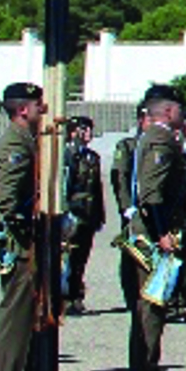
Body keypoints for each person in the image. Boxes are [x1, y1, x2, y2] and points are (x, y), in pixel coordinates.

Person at [0, 81, 45, 371]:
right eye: (38, 105)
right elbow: (8, 200)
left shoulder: (27, 142)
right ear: (23, 110)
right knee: (14, 322)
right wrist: (30, 231)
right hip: (22, 246)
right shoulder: (16, 145)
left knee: (26, 321)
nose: (42, 110)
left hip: (29, 243)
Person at [126, 84, 186, 371]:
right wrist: (162, 232)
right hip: (153, 236)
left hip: (156, 232)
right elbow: (150, 193)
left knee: (154, 307)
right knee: (151, 308)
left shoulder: (160, 138)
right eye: (178, 108)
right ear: (168, 111)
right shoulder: (159, 138)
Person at [61, 115, 104, 312]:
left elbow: (97, 188)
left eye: (89, 129)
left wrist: (99, 215)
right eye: (83, 129)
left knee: (81, 257)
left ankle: (76, 294)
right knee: (68, 257)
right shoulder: (67, 155)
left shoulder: (92, 157)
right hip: (73, 212)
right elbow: (64, 186)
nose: (88, 134)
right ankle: (65, 295)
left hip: (88, 214)